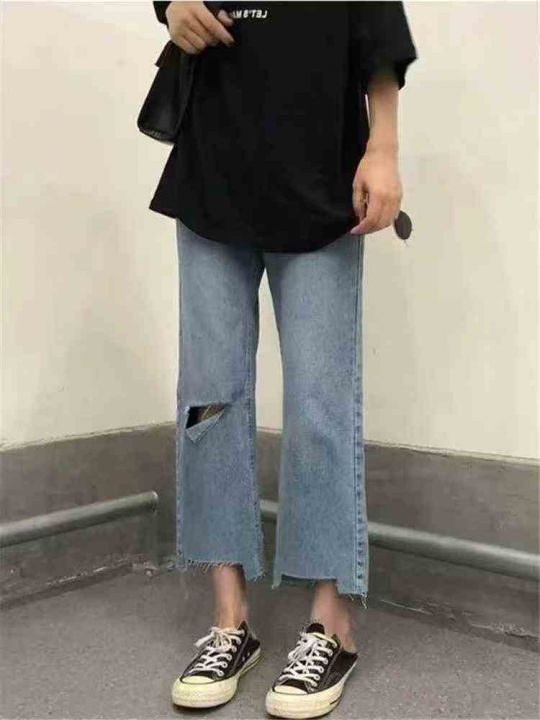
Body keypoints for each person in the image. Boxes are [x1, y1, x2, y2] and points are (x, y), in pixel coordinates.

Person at [148, 2, 417, 717]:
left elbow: (378, 31)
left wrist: (384, 147)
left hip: (321, 181)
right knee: (209, 399)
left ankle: (332, 625)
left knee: (320, 405)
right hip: (212, 172)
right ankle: (229, 621)